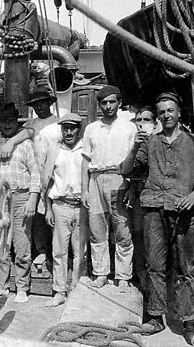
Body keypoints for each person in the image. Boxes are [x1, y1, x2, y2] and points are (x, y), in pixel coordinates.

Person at [121, 92, 194, 345]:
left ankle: (187, 321)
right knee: (155, 266)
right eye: (162, 112)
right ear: (158, 117)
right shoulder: (149, 143)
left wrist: (192, 196)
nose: (166, 115)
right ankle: (155, 317)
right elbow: (125, 170)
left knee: (185, 268)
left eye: (170, 110)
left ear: (179, 113)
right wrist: (136, 145)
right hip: (153, 209)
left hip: (183, 211)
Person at [0, 103, 40, 304]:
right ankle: (0, 285)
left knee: (21, 242)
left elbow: (36, 173)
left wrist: (33, 198)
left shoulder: (26, 144)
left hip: (20, 196)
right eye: (3, 121)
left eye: (11, 121)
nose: (7, 125)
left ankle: (22, 287)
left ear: (16, 122)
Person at [81, 85, 136, 291]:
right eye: (104, 103)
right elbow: (85, 161)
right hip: (95, 179)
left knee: (122, 229)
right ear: (99, 105)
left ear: (119, 103)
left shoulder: (129, 127)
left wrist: (131, 186)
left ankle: (123, 276)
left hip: (119, 179)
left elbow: (134, 159)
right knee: (97, 230)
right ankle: (101, 273)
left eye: (112, 102)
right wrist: (85, 189)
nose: (108, 106)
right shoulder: (91, 129)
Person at [43, 113, 86, 307]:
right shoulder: (54, 150)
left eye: (72, 128)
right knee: (59, 251)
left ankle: (77, 291)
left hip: (81, 206)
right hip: (60, 205)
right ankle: (59, 291)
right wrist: (48, 209)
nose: (68, 132)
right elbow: (47, 181)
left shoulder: (86, 148)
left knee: (80, 252)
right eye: (65, 128)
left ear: (79, 129)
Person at [22, 87, 62, 266]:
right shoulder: (30, 125)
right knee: (38, 217)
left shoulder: (59, 124)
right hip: (36, 175)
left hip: (56, 174)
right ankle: (41, 250)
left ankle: (58, 252)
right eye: (36, 104)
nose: (39, 107)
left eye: (42, 103)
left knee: (55, 214)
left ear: (50, 103)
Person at [125, 105, 157, 289]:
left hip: (156, 197)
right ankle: (141, 277)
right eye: (139, 120)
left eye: (146, 120)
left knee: (152, 238)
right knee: (137, 236)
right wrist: (130, 187)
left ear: (154, 123)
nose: (142, 124)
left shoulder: (159, 141)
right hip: (139, 196)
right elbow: (130, 169)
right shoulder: (134, 142)